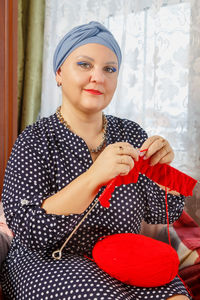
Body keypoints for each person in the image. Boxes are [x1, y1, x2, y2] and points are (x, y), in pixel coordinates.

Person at [1, 21, 191, 300]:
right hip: (50, 261)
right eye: (84, 65)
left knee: (177, 296)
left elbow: (161, 213)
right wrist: (93, 176)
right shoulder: (34, 140)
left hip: (125, 259)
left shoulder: (131, 133)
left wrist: (165, 172)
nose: (98, 77)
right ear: (59, 73)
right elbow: (28, 228)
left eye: (109, 69)